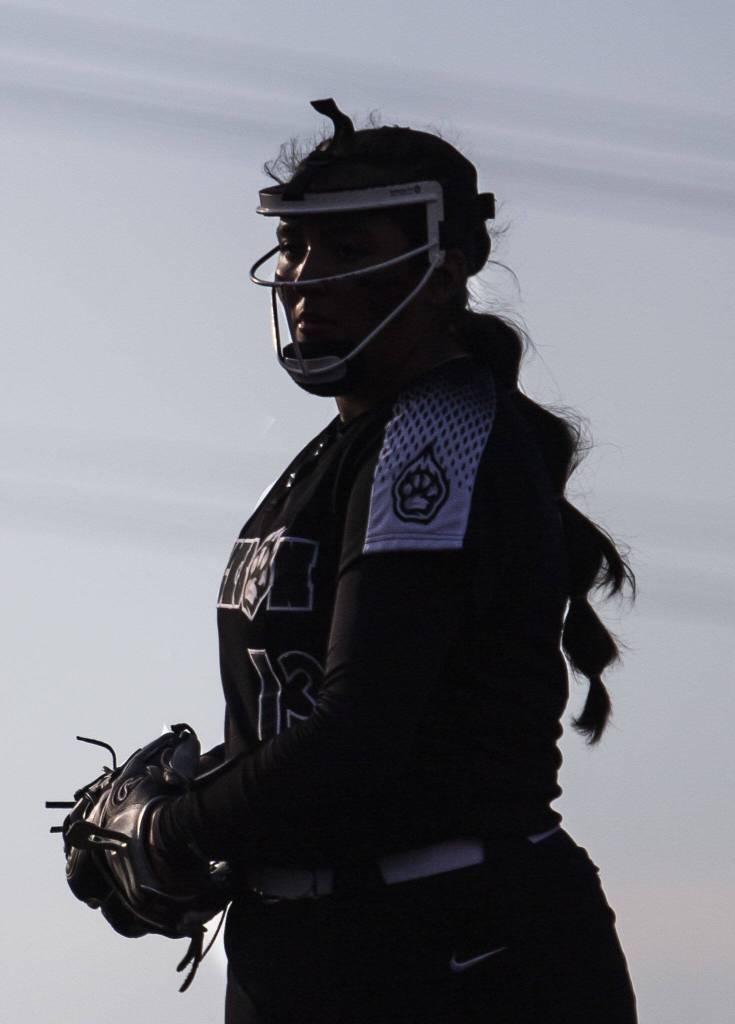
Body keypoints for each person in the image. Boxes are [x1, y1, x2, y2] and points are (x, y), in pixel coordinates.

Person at [154, 98, 639, 1022]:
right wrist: (212, 797)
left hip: (448, 947)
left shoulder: (439, 432)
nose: (304, 279)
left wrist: (171, 828)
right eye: (295, 248)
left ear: (443, 268)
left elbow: (364, 732)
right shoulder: (343, 447)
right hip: (316, 947)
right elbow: (315, 714)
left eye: (344, 250)